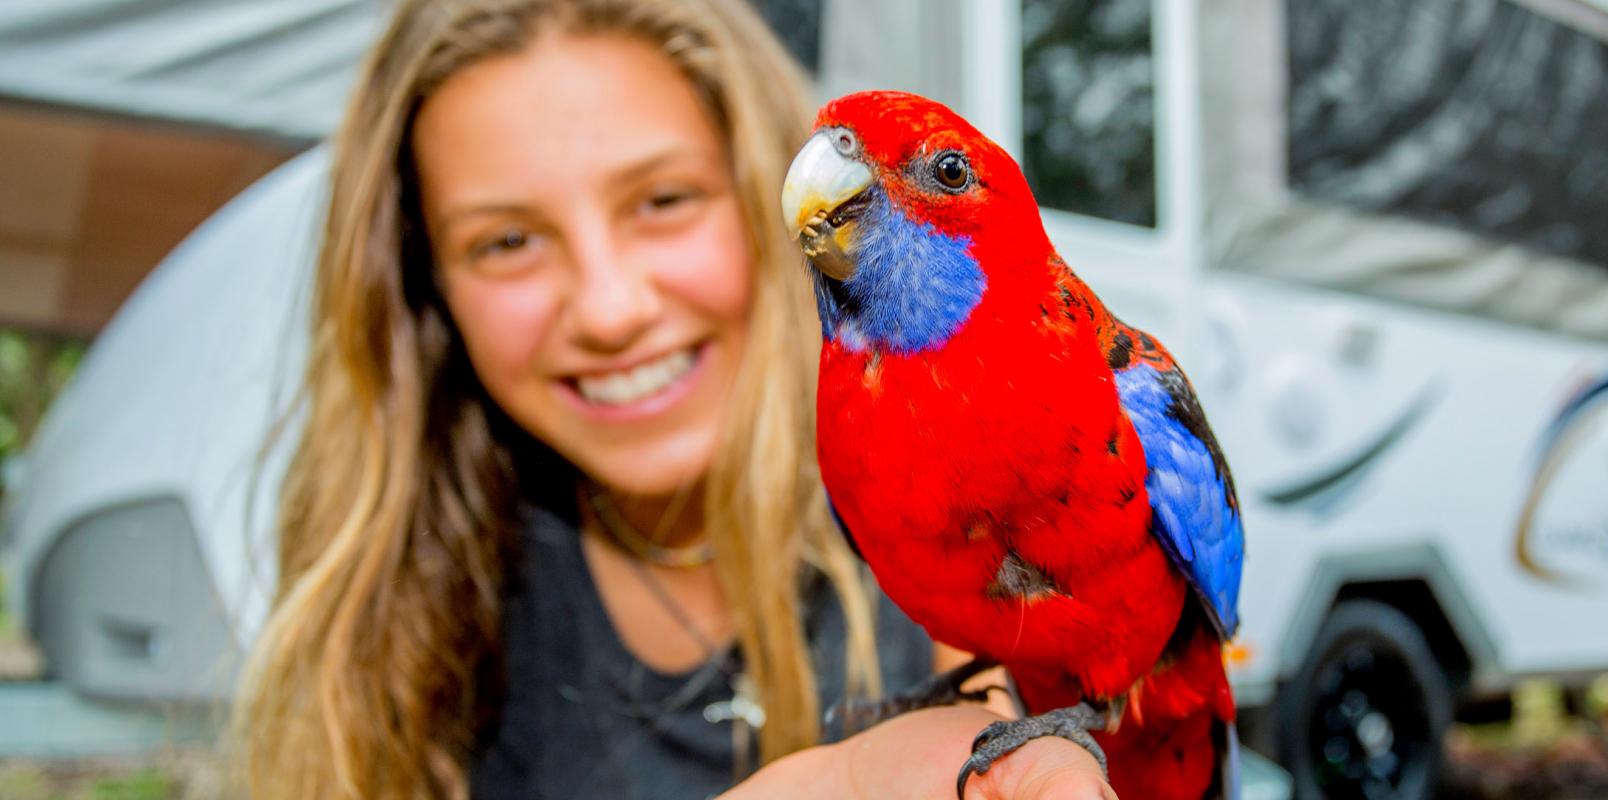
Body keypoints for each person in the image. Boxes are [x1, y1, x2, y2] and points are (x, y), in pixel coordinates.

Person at [228, 0, 1113, 798]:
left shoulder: (961, 476)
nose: (611, 311)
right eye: (506, 241)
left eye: (663, 199)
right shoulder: (404, 611)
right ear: (427, 294)